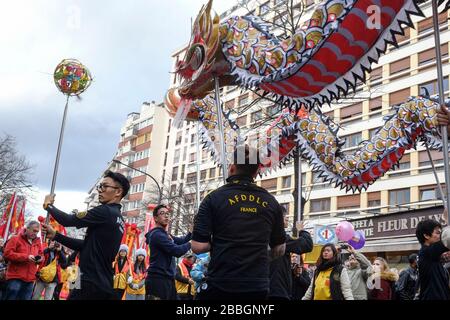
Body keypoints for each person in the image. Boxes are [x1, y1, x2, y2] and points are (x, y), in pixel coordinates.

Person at [192, 145, 286, 300]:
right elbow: (280, 249)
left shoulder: (213, 198)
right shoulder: (271, 202)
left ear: (232, 168)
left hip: (222, 283)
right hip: (257, 285)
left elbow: (198, 246)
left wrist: (219, 244)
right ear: (256, 172)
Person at [41, 170, 129, 300]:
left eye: (105, 186)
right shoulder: (119, 219)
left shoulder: (105, 212)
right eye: (100, 186)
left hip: (89, 282)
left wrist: (49, 206)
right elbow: (85, 245)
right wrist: (56, 235)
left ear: (118, 192)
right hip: (102, 284)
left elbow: (68, 220)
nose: (100, 190)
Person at [145, 204, 192, 300]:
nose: (166, 216)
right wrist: (191, 243)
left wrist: (191, 232)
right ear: (156, 218)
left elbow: (182, 241)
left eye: (168, 213)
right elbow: (176, 251)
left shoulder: (165, 234)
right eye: (162, 213)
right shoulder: (157, 235)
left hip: (168, 279)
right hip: (158, 280)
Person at [269, 209, 313, 300]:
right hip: (277, 292)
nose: (287, 219)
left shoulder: (262, 236)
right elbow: (307, 244)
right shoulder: (279, 238)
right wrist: (302, 230)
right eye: (285, 217)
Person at [3, 221, 43, 300]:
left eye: (37, 232)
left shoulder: (38, 242)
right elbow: (7, 254)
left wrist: (40, 259)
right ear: (27, 228)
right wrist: (26, 257)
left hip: (30, 280)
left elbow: (42, 255)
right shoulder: (15, 238)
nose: (35, 233)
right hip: (15, 278)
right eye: (34, 230)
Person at [415, 218, 450, 300]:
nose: (440, 236)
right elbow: (447, 239)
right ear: (426, 235)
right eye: (438, 233)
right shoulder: (426, 252)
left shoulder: (432, 256)